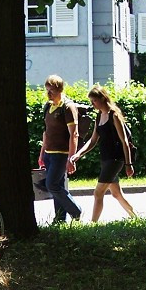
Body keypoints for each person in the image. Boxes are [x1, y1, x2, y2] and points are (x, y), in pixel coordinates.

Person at [68, 84, 138, 222]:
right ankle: (136, 218)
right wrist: (78, 154)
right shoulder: (99, 116)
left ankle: (93, 225)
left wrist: (129, 164)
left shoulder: (114, 115)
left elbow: (124, 141)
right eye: (91, 101)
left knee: (98, 193)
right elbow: (93, 140)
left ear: (102, 98)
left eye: (94, 101)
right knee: (117, 194)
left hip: (115, 159)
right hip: (106, 159)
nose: (92, 104)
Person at [36, 74, 83, 223]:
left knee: (52, 185)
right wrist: (42, 153)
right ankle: (60, 219)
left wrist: (71, 158)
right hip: (49, 154)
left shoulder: (67, 107)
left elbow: (74, 134)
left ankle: (76, 210)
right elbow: (46, 132)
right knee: (58, 186)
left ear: (60, 89)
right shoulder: (48, 106)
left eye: (52, 91)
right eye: (47, 90)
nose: (48, 94)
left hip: (61, 154)